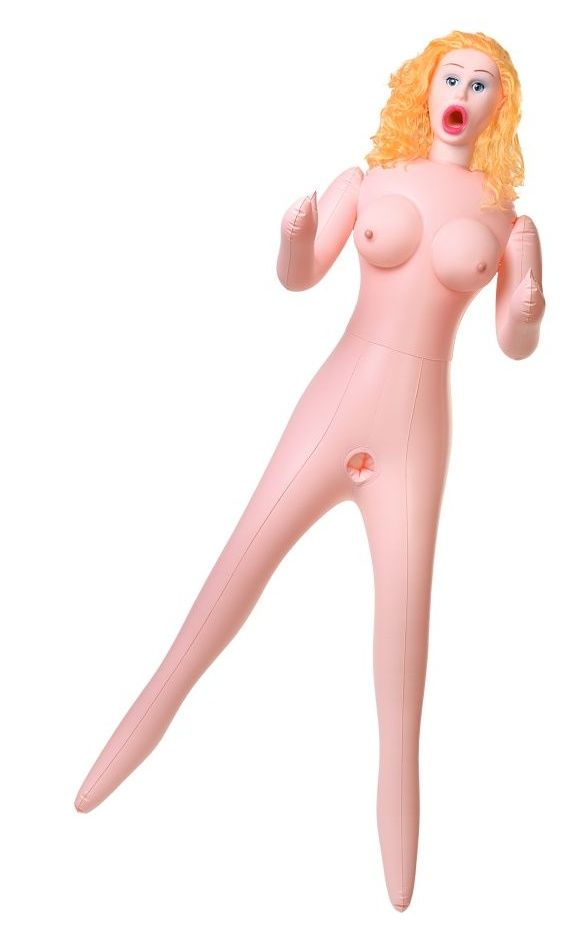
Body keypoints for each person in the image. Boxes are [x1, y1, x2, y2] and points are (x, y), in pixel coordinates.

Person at [74, 30, 545, 913]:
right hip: (333, 406)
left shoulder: (507, 219)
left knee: (403, 644)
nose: (463, 93)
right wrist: (292, 238)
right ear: (425, 86)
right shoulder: (368, 180)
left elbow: (515, 343)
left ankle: (400, 866)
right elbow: (300, 277)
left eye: (482, 84)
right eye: (452, 76)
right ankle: (111, 762)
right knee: (230, 578)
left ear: (499, 106)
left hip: (417, 436)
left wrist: (527, 303)